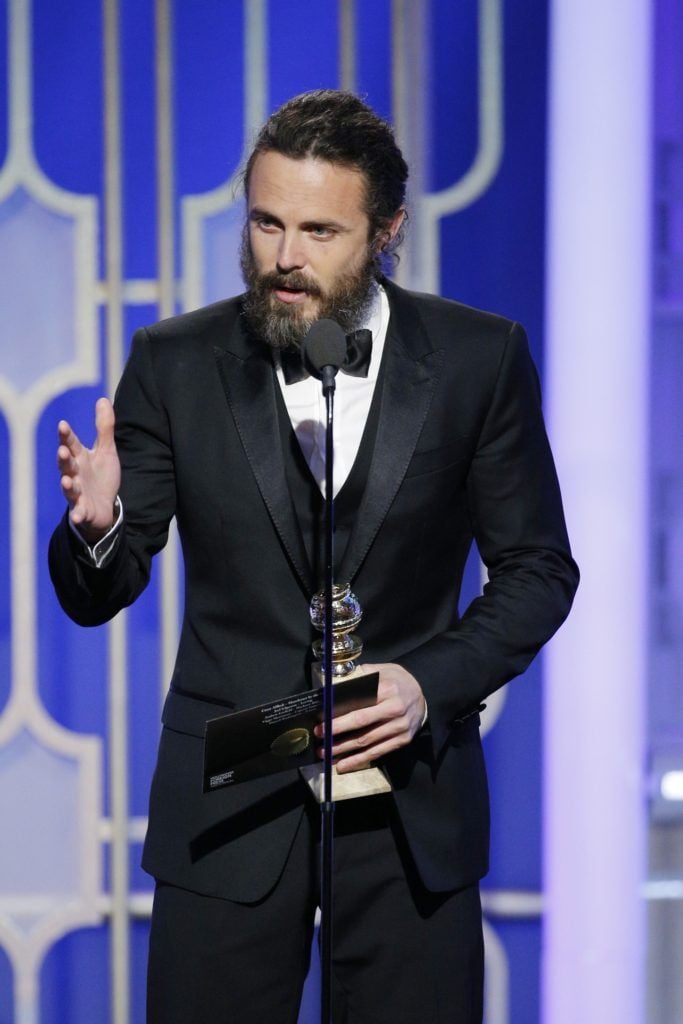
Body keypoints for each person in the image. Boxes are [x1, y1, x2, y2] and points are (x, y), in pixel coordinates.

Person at [49, 90, 579, 1024]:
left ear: (386, 230)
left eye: (319, 230)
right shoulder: (175, 361)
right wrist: (97, 526)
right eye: (265, 222)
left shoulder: (476, 360)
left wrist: (427, 682)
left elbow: (538, 569)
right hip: (230, 812)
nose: (285, 258)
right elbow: (105, 587)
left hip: (410, 804)